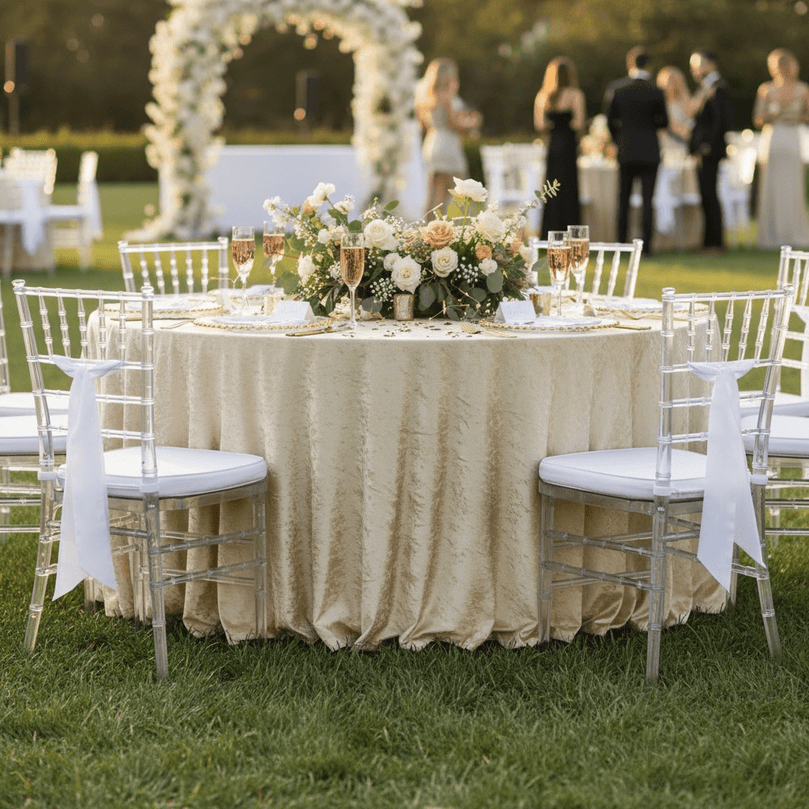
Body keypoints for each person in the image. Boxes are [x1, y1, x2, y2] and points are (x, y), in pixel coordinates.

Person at [603, 46, 669, 256]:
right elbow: (664, 121)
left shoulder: (617, 88)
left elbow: (609, 120)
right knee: (647, 201)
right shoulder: (656, 90)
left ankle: (621, 246)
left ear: (629, 64)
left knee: (623, 200)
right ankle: (646, 249)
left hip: (626, 151)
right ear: (649, 65)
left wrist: (618, 139)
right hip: (650, 150)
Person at [753, 48, 809, 249]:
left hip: (793, 138)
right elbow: (757, 119)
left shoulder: (803, 90)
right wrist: (771, 115)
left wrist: (793, 117)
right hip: (774, 139)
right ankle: (771, 236)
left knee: (793, 187)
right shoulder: (766, 89)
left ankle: (795, 233)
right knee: (772, 187)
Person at [415, 58, 483, 218]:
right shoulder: (447, 96)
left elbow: (423, 126)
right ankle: (471, 230)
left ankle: (427, 234)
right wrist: (473, 124)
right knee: (463, 194)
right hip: (448, 147)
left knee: (434, 196)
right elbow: (454, 124)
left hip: (432, 143)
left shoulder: (425, 97)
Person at [534, 56, 586, 237]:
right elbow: (578, 123)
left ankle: (550, 230)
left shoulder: (543, 95)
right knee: (569, 187)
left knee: (551, 187)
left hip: (553, 143)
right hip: (568, 144)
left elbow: (539, 125)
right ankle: (571, 232)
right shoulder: (575, 94)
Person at [689, 50, 733, 254]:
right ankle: (708, 242)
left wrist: (706, 146)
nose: (694, 71)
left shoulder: (719, 88)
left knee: (710, 194)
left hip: (710, 151)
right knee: (705, 195)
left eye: (696, 66)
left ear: (709, 65)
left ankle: (715, 243)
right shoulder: (705, 88)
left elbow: (720, 121)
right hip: (702, 150)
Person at [656, 66, 694, 160]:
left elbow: (690, 128)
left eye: (672, 81)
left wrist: (671, 125)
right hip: (661, 146)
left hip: (679, 146)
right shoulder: (658, 102)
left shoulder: (687, 102)